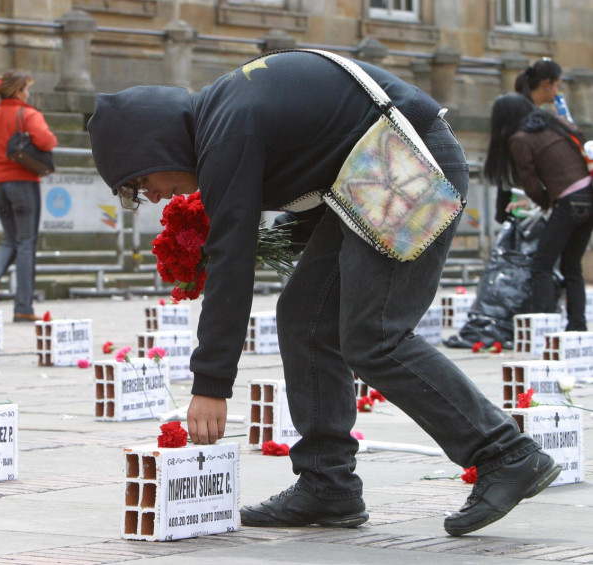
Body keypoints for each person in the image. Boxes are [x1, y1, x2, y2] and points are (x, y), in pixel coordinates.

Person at [88, 49, 560, 537]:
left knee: (375, 335)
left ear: (155, 145)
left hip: (405, 164)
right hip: (366, 172)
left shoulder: (226, 130)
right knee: (304, 317)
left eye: (140, 183)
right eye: (136, 196)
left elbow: (233, 260)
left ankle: (505, 453)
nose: (156, 197)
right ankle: (327, 484)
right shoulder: (221, 118)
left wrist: (211, 386)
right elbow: (311, 171)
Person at [485, 93, 592, 331]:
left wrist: (544, 202)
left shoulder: (520, 139)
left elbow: (531, 184)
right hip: (589, 197)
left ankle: (545, 326)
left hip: (568, 202)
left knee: (541, 265)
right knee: (572, 265)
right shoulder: (555, 124)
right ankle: (577, 325)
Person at [0, 69, 57, 322]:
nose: (28, 93)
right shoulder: (28, 113)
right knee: (25, 242)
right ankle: (23, 306)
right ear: (18, 91)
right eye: (26, 89)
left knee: (9, 239)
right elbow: (47, 141)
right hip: (22, 182)